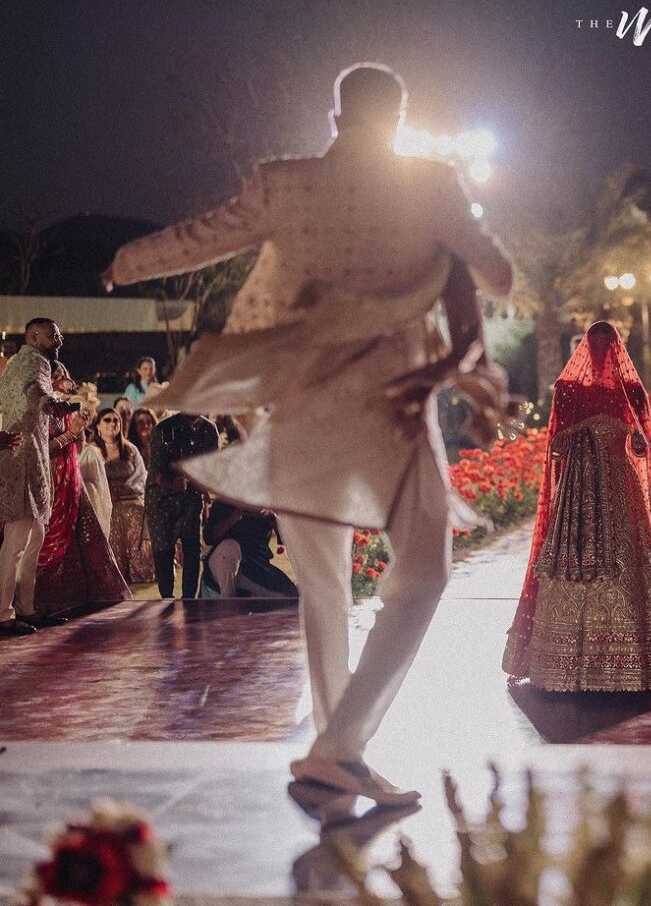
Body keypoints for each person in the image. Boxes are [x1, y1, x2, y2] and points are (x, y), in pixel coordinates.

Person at [104, 62, 512, 803]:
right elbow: (501, 276)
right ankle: (340, 744)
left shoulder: (282, 182)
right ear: (397, 115)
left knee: (322, 586)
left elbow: (203, 237)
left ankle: (339, 749)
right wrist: (448, 238)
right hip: (390, 407)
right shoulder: (431, 181)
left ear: (334, 119)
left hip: (293, 408)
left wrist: (125, 264)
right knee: (422, 575)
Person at [502, 321, 651, 691]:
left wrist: (620, 440)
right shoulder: (569, 390)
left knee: (628, 560)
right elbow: (555, 448)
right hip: (580, 494)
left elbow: (642, 448)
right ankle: (565, 662)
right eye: (597, 344)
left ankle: (631, 662)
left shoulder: (629, 391)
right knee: (584, 563)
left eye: (606, 344)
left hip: (610, 490)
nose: (602, 351)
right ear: (586, 347)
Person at [0, 319, 84, 635]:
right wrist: (64, 404)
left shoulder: (24, 362)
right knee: (18, 539)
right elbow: (35, 395)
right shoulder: (33, 361)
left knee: (32, 536)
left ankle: (27, 608)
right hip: (20, 459)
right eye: (53, 334)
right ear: (34, 337)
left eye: (59, 333)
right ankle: (4, 615)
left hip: (28, 457)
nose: (59, 339)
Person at [34, 364, 131, 615]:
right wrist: (71, 434)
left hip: (69, 482)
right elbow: (40, 452)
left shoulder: (64, 409)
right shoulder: (37, 410)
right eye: (56, 377)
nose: (62, 381)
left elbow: (74, 452)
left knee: (86, 534)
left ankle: (78, 598)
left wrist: (77, 431)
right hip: (46, 484)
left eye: (63, 376)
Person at [144, 412, 219, 599]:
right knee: (164, 551)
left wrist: (206, 486)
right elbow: (158, 474)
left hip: (192, 497)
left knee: (193, 548)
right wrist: (173, 483)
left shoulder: (209, 429)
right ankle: (166, 598)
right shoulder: (163, 430)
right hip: (162, 498)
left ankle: (189, 600)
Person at [94, 407, 155, 584]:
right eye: (107, 420)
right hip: (105, 502)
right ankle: (115, 573)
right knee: (113, 515)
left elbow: (141, 477)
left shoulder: (130, 449)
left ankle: (139, 571)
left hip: (130, 499)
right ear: (98, 426)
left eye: (116, 420)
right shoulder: (93, 450)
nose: (112, 424)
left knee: (138, 510)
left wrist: (128, 489)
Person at [201, 498, 298, 600]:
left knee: (289, 596)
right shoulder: (224, 502)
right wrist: (234, 517)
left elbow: (287, 540)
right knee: (229, 547)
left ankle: (251, 596)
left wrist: (273, 516)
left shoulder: (267, 503)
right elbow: (209, 538)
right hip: (224, 566)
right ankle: (228, 601)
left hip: (255, 567)